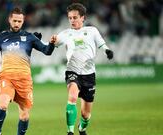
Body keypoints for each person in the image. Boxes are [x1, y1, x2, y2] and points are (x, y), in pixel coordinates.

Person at [0, 7, 56, 135]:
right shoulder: (1, 37)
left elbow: (47, 51)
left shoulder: (29, 37)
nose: (17, 23)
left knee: (24, 116)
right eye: (14, 21)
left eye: (19, 21)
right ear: (9, 20)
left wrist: (51, 44)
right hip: (7, 77)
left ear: (23, 22)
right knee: (3, 104)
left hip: (24, 81)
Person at [53, 3, 114, 135]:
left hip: (89, 74)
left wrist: (107, 51)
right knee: (73, 96)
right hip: (73, 70)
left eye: (75, 17)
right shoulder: (65, 34)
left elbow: (101, 44)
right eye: (70, 18)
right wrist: (49, 41)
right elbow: (51, 44)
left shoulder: (92, 31)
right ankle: (70, 131)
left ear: (82, 18)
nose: (72, 20)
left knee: (85, 114)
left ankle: (82, 128)